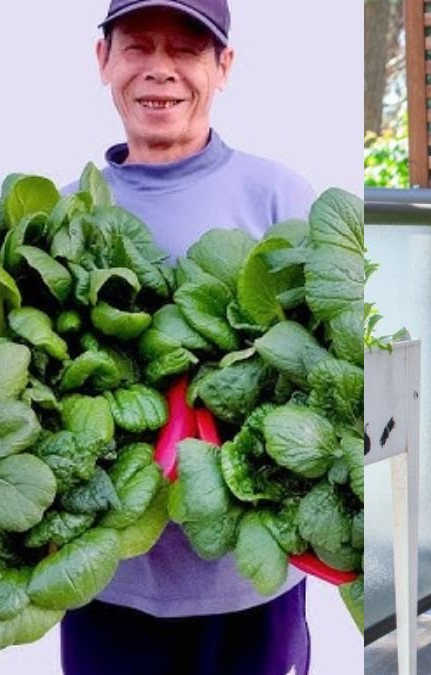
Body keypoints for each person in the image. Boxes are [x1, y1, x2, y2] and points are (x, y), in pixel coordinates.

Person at [60, 2, 314, 673]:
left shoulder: (279, 199)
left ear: (222, 66)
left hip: (254, 580)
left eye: (186, 50)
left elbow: (329, 372)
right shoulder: (62, 216)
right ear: (103, 61)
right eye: (138, 47)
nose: (160, 71)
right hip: (108, 583)